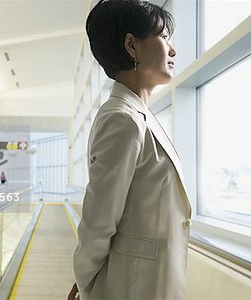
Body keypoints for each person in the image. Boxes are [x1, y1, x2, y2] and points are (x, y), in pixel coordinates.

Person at [68, 1, 192, 299]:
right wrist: (84, 283)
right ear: (131, 46)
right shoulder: (122, 119)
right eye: (164, 38)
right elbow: (99, 221)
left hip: (146, 280)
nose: (172, 50)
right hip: (131, 286)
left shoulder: (139, 116)